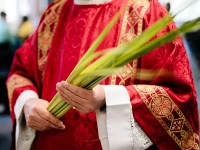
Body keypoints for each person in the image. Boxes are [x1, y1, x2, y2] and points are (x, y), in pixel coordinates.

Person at [6, 0, 199, 150]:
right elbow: (20, 72)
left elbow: (179, 96)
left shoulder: (146, 12)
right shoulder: (53, 14)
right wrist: (28, 103)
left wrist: (107, 98)